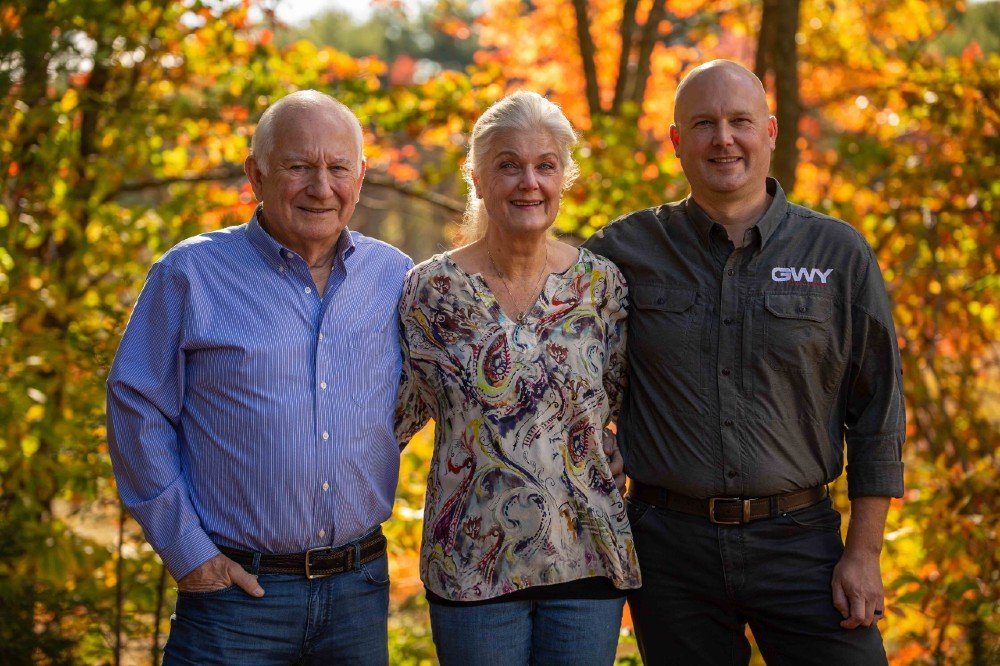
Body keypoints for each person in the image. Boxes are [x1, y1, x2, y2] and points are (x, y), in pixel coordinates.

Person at [583, 60, 906, 665]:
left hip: (802, 543)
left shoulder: (837, 253)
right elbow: (567, 376)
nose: (723, 138)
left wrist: (864, 553)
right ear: (677, 141)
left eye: (740, 121)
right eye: (703, 124)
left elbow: (878, 411)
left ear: (771, 131)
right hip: (668, 549)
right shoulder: (620, 252)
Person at [106, 90, 413, 664]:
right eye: (299, 167)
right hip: (233, 598)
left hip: (358, 591)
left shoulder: (394, 277)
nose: (321, 187)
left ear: (361, 175)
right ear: (256, 174)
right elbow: (136, 406)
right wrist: (187, 550)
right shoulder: (190, 274)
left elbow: (439, 388)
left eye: (337, 167)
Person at [396, 91, 640, 666]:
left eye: (545, 165)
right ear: (478, 179)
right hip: (471, 565)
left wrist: (629, 449)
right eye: (509, 165)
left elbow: (631, 399)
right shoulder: (432, 291)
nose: (528, 181)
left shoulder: (601, 285)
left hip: (585, 555)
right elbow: (390, 416)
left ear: (563, 178)